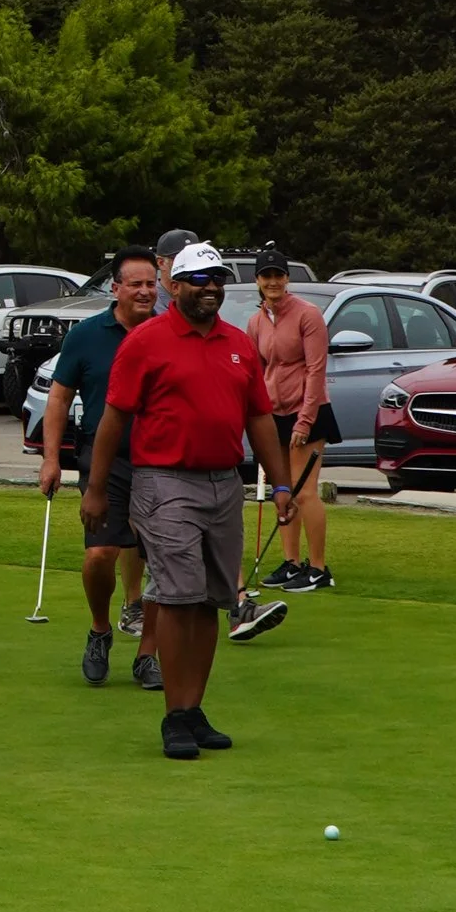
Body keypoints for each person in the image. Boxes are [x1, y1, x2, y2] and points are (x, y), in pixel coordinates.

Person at [83, 239, 292, 761]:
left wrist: (282, 482)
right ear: (174, 285)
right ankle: (174, 716)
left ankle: (192, 707)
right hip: (164, 482)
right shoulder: (147, 341)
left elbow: (259, 418)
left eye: (218, 280)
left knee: (209, 601)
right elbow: (114, 418)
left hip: (224, 482)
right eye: (200, 280)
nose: (211, 289)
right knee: (176, 596)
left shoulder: (237, 343)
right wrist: (94, 487)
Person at [42, 246, 162, 692]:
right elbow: (58, 396)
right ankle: (99, 629)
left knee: (161, 564)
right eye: (136, 284)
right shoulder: (88, 334)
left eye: (151, 283)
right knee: (99, 556)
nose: (146, 291)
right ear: (115, 288)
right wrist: (52, 459)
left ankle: (148, 653)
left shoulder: (170, 332)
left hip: (161, 458)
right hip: (103, 458)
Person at [252, 243, 335, 592]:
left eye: (278, 275)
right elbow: (257, 371)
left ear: (287, 278)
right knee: (282, 491)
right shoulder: (256, 321)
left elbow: (316, 370)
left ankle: (318, 568)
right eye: (266, 276)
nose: (273, 282)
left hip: (309, 410)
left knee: (305, 493)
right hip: (274, 414)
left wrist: (304, 420)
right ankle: (291, 562)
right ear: (258, 280)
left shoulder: (307, 314)